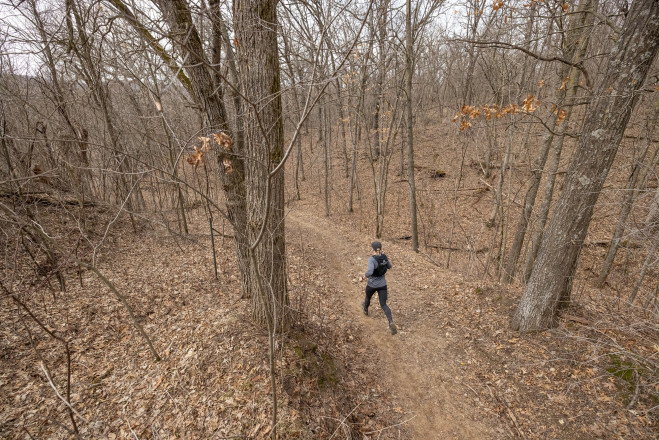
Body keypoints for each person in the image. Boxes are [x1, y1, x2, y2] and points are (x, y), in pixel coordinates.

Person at [360, 241, 397, 335]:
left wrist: (362, 277)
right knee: (384, 304)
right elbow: (389, 266)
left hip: (372, 285)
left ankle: (365, 309)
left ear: (373, 249)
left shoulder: (371, 259)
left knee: (368, 297)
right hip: (383, 285)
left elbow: (370, 272)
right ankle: (391, 322)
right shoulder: (384, 256)